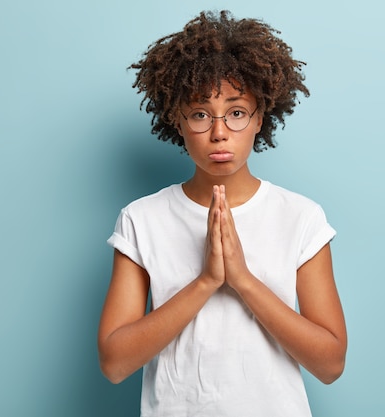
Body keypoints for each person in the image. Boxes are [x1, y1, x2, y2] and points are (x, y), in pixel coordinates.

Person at [98, 10, 347, 417]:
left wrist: (243, 280)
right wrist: (207, 281)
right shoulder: (141, 220)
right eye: (200, 114)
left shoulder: (301, 217)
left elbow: (331, 363)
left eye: (235, 112)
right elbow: (114, 363)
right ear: (177, 122)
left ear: (259, 120)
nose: (218, 132)